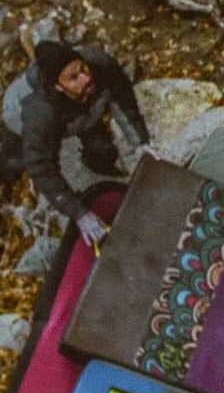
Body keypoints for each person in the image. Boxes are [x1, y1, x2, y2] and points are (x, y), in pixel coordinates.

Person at [2, 40, 152, 243]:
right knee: (19, 160)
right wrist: (79, 213)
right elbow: (41, 167)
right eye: (74, 77)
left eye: (83, 68)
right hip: (21, 116)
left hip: (80, 110)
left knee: (103, 150)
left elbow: (124, 99)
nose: (86, 77)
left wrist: (141, 143)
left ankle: (94, 159)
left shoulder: (99, 64)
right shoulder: (40, 113)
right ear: (58, 86)